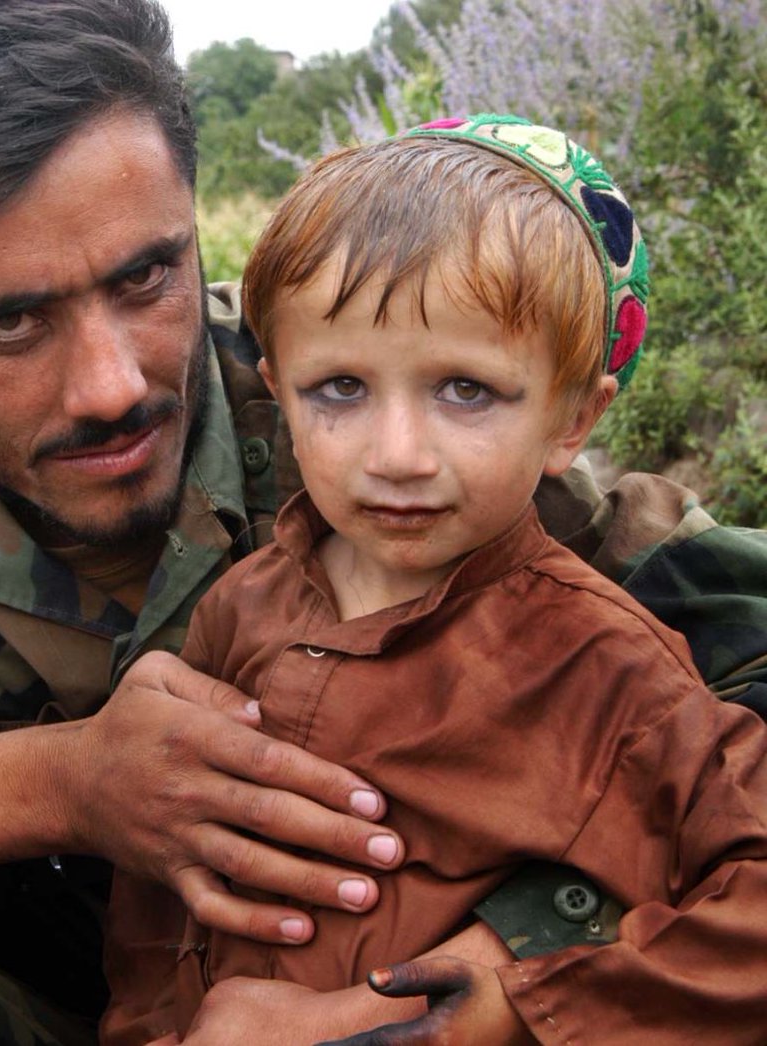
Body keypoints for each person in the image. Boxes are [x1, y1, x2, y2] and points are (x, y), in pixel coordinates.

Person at [0, 0, 763, 1038]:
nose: (113, 382)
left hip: (348, 1000)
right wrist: (56, 784)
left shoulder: (355, 411)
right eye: (11, 324)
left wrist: (485, 981)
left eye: (146, 278)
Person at [100, 114, 767, 1046]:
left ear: (573, 420)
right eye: (340, 388)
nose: (398, 455)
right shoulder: (237, 610)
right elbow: (159, 895)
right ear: (277, 388)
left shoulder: (613, 666)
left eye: (467, 390)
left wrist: (510, 1013)